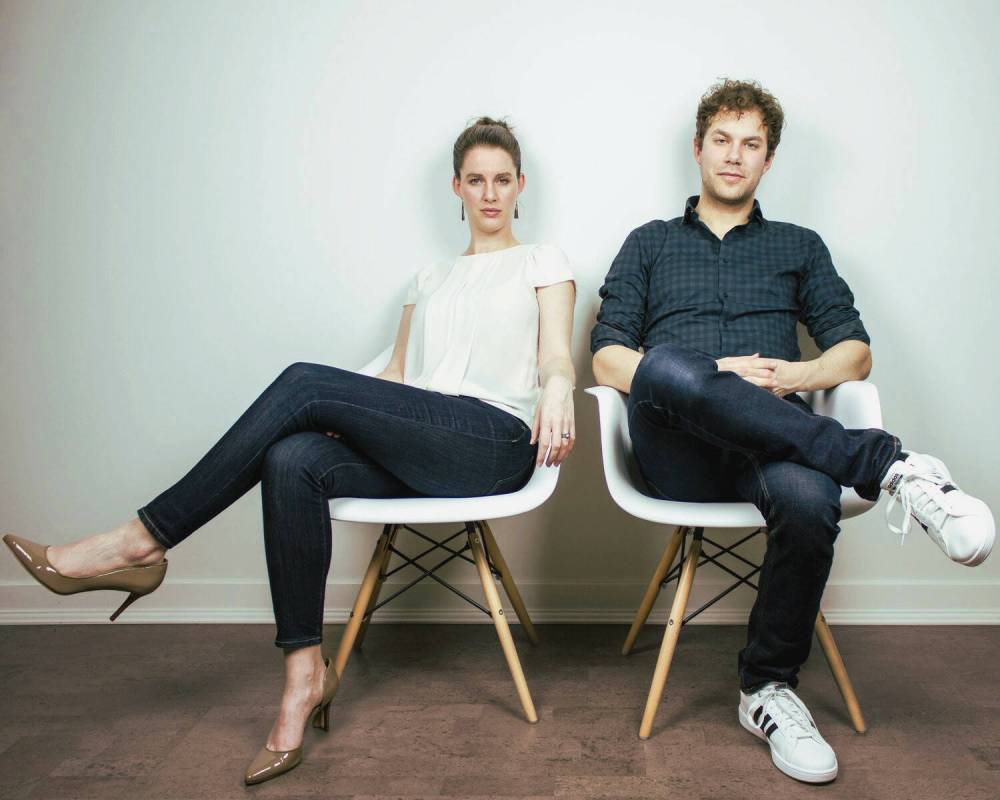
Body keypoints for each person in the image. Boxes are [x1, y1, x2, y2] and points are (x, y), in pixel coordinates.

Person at [4, 116, 577, 786]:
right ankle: (305, 675)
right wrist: (348, 416)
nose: (490, 193)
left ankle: (139, 541)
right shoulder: (429, 278)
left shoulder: (543, 261)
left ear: (520, 185)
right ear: (457, 187)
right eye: (476, 180)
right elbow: (395, 377)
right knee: (293, 459)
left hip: (494, 441)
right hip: (421, 442)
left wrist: (559, 386)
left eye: (502, 180)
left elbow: (556, 353)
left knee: (305, 383)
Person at [590, 79, 994, 785]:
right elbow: (607, 357)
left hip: (772, 441)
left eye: (751, 144)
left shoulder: (799, 246)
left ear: (768, 159)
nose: (734, 155)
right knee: (670, 366)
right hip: (676, 452)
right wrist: (714, 372)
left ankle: (768, 690)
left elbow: (854, 352)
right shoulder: (649, 243)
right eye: (722, 140)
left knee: (810, 501)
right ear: (698, 148)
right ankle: (889, 467)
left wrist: (792, 377)